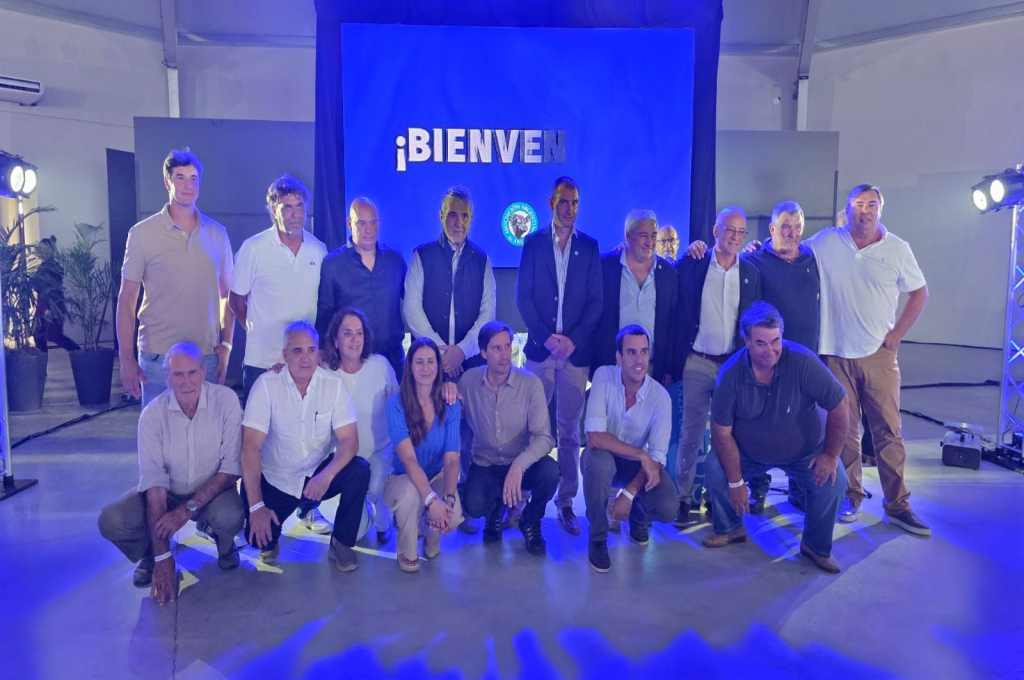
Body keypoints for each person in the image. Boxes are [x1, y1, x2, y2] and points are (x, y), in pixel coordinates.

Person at [808, 184, 930, 535]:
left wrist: (896, 335)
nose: (865, 210)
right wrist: (758, 247)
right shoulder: (826, 242)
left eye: (872, 204)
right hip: (836, 353)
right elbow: (791, 252)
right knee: (844, 431)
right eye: (859, 204)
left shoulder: (897, 249)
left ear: (881, 209)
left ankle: (897, 504)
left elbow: (919, 293)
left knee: (888, 431)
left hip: (878, 354)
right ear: (847, 209)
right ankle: (851, 495)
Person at [702, 302, 850, 573]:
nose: (769, 350)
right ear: (746, 341)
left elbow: (840, 405)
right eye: (760, 343)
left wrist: (830, 455)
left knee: (835, 479)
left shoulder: (803, 362)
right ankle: (730, 528)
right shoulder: (730, 375)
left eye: (775, 341)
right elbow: (722, 433)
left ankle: (815, 546)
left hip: (804, 454)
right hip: (748, 454)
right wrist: (736, 481)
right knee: (715, 468)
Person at [98, 342, 244, 604]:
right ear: (167, 377)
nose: (186, 382)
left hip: (213, 491)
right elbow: (154, 485)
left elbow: (230, 470)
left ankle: (224, 544)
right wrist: (164, 558)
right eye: (178, 374)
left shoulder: (226, 401)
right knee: (112, 520)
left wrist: (186, 510)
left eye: (192, 372)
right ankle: (150, 553)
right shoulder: (152, 415)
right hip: (167, 492)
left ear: (203, 372)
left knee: (231, 515)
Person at [240, 321, 370, 572]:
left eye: (311, 350)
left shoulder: (333, 385)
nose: (305, 357)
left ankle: (342, 543)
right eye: (297, 350)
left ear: (319, 353)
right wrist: (257, 507)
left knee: (359, 470)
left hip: (317, 473)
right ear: (285, 354)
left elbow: (349, 441)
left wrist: (326, 476)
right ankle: (276, 525)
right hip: (278, 479)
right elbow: (250, 448)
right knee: (257, 541)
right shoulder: (266, 385)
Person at [515, 176, 603, 535]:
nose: (569, 209)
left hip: (575, 355)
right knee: (529, 427)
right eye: (563, 201)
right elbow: (523, 297)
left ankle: (566, 501)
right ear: (551, 203)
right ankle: (521, 496)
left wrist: (573, 341)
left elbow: (596, 301)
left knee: (568, 431)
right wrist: (545, 337)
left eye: (575, 202)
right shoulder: (534, 243)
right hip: (540, 351)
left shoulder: (590, 247)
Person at [117, 148, 234, 406]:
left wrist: (226, 346)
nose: (188, 185)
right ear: (166, 182)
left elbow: (227, 296)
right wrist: (126, 359)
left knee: (205, 429)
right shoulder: (142, 234)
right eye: (180, 177)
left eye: (194, 178)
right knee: (158, 429)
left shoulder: (217, 234)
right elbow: (127, 299)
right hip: (158, 359)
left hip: (205, 357)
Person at [674, 207, 758, 525]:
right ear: (715, 231)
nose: (735, 237)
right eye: (729, 230)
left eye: (741, 232)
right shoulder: (694, 264)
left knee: (727, 435)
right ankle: (683, 498)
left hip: (732, 366)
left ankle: (717, 497)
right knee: (691, 434)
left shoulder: (750, 272)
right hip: (697, 362)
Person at [741, 200, 821, 513]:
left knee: (802, 426)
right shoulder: (755, 261)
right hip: (767, 360)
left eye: (797, 226)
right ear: (772, 228)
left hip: (805, 361)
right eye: (785, 226)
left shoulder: (812, 259)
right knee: (760, 424)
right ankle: (757, 488)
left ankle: (799, 489)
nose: (791, 232)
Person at [582, 325, 676, 573]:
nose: (639, 360)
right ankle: (598, 537)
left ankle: (639, 516)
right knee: (598, 463)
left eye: (644, 352)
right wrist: (641, 454)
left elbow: (657, 457)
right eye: (631, 352)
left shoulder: (661, 397)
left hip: (636, 469)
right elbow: (595, 438)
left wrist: (629, 494)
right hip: (603, 457)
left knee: (668, 506)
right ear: (619, 357)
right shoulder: (603, 376)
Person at [458, 321, 558, 554]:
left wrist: (519, 466)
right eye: (496, 348)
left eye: (507, 346)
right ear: (483, 353)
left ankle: (530, 520)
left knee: (551, 472)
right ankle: (496, 511)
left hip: (522, 463)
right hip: (486, 464)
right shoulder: (469, 382)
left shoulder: (530, 384)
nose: (505, 355)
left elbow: (544, 438)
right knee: (473, 504)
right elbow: (452, 416)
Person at [230, 174, 326, 402]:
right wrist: (259, 332)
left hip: (304, 363)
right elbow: (236, 301)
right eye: (287, 208)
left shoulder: (319, 249)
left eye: (299, 206)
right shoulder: (253, 249)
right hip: (262, 363)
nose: (295, 214)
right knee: (258, 424)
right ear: (274, 211)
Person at [383, 338, 464, 572]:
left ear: (439, 366)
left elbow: (452, 459)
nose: (426, 368)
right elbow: (408, 460)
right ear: (410, 366)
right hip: (402, 477)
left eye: (431, 362)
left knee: (453, 513)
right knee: (411, 494)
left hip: (436, 475)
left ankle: (432, 534)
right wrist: (431, 500)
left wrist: (447, 500)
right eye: (419, 362)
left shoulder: (451, 404)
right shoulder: (395, 404)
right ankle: (407, 550)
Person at [403, 186, 496, 380]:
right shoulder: (421, 256)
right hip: (428, 364)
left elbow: (487, 314)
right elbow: (412, 310)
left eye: (465, 216)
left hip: (471, 366)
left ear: (471, 219)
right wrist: (441, 353)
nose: (459, 222)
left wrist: (462, 351)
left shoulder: (482, 260)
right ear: (441, 216)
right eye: (453, 215)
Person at [323, 307, 399, 545]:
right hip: (345, 458)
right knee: (354, 535)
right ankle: (363, 512)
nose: (354, 340)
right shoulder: (325, 374)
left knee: (375, 486)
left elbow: (399, 408)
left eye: (359, 333)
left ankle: (384, 517)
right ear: (336, 340)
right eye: (347, 333)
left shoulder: (380, 366)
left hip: (380, 451)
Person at [316, 197, 407, 376]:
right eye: (362, 223)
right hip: (350, 363)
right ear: (349, 224)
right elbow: (325, 313)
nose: (369, 230)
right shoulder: (333, 264)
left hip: (393, 360)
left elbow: (410, 306)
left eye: (373, 223)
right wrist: (321, 350)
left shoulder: (395, 261)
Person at [593, 209, 678, 385]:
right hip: (612, 368)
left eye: (653, 235)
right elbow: (594, 315)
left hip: (652, 371)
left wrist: (668, 368)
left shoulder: (668, 273)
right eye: (643, 236)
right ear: (628, 236)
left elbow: (672, 324)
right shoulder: (605, 267)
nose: (650, 242)